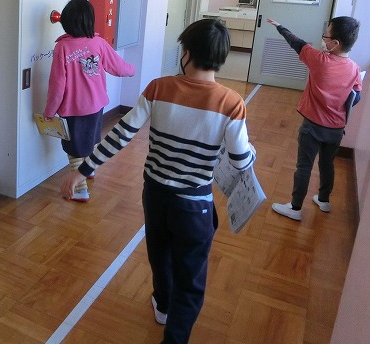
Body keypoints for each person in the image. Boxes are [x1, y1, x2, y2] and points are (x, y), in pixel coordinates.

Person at [61, 18, 256, 343]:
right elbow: (240, 161)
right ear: (221, 57)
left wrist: (82, 170)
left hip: (155, 195)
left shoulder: (159, 88)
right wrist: (249, 153)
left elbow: (121, 134)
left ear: (186, 53)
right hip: (194, 205)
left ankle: (163, 305)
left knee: (160, 254)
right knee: (190, 279)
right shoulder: (231, 103)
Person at [268, 16, 362, 221]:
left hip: (312, 128)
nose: (323, 39)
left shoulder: (319, 60)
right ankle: (324, 200)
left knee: (304, 167)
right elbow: (356, 97)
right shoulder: (355, 68)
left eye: (325, 36)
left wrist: (280, 27)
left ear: (335, 43)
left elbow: (296, 43)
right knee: (327, 164)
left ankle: (295, 208)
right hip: (336, 130)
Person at [44, 0, 135, 202]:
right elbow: (118, 67)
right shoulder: (98, 43)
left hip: (73, 109)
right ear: (89, 21)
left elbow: (57, 84)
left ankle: (80, 189)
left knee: (74, 148)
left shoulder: (62, 47)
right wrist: (132, 70)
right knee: (89, 140)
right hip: (96, 105)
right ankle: (89, 170)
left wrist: (50, 111)